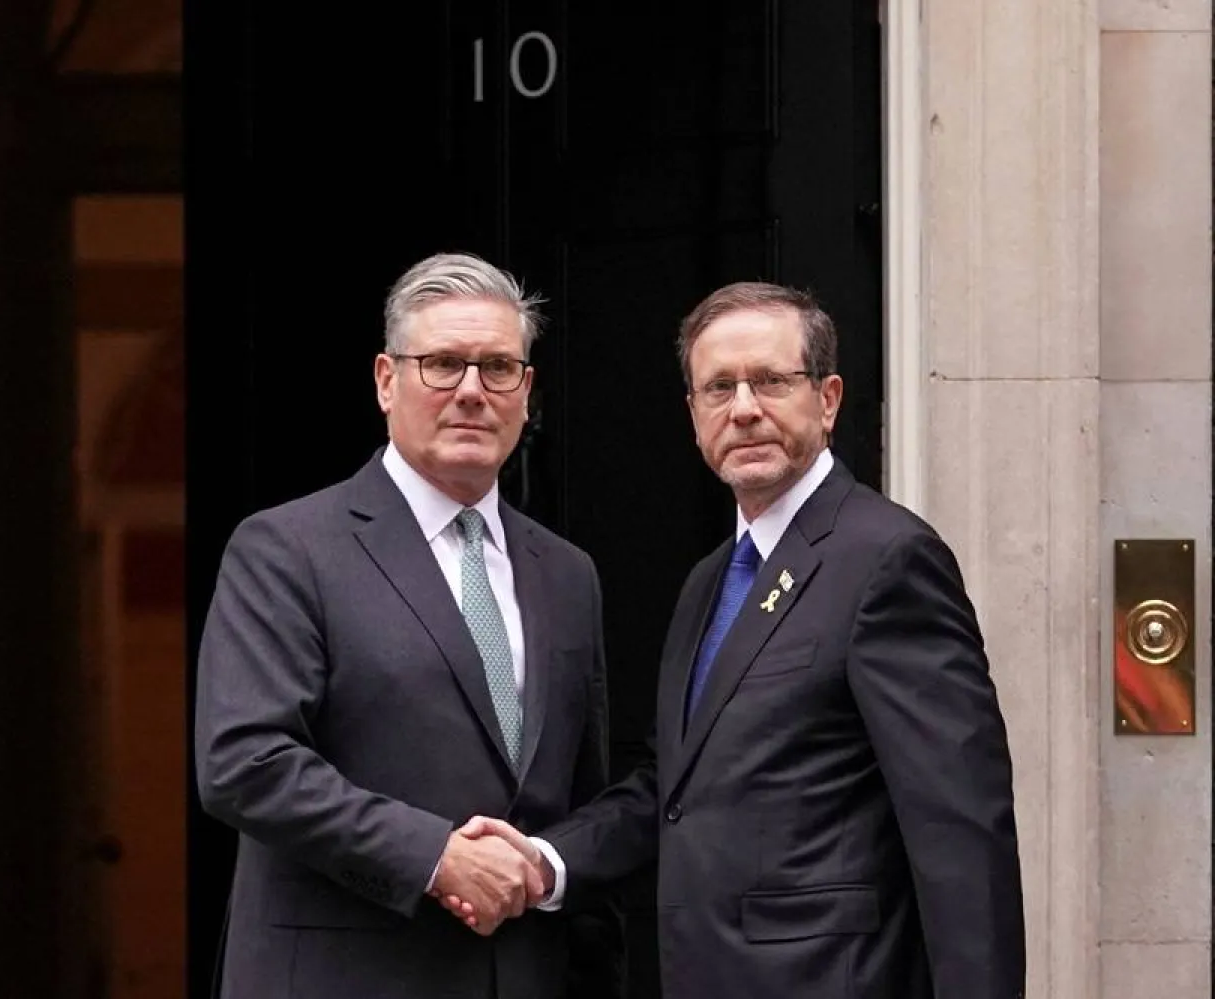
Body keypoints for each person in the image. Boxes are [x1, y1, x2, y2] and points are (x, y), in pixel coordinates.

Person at [446, 281, 1026, 998]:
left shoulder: (888, 558)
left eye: (772, 381)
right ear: (694, 415)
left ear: (829, 398)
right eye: (719, 387)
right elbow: (674, 789)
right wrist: (544, 860)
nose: (744, 408)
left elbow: (961, 829)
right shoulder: (709, 581)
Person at [193, 251, 622, 999]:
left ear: (527, 392)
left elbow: (582, 793)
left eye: (498, 367)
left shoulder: (566, 572)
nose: (471, 392)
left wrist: (556, 884)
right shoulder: (289, 548)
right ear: (387, 381)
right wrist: (435, 856)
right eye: (443, 364)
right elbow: (245, 761)